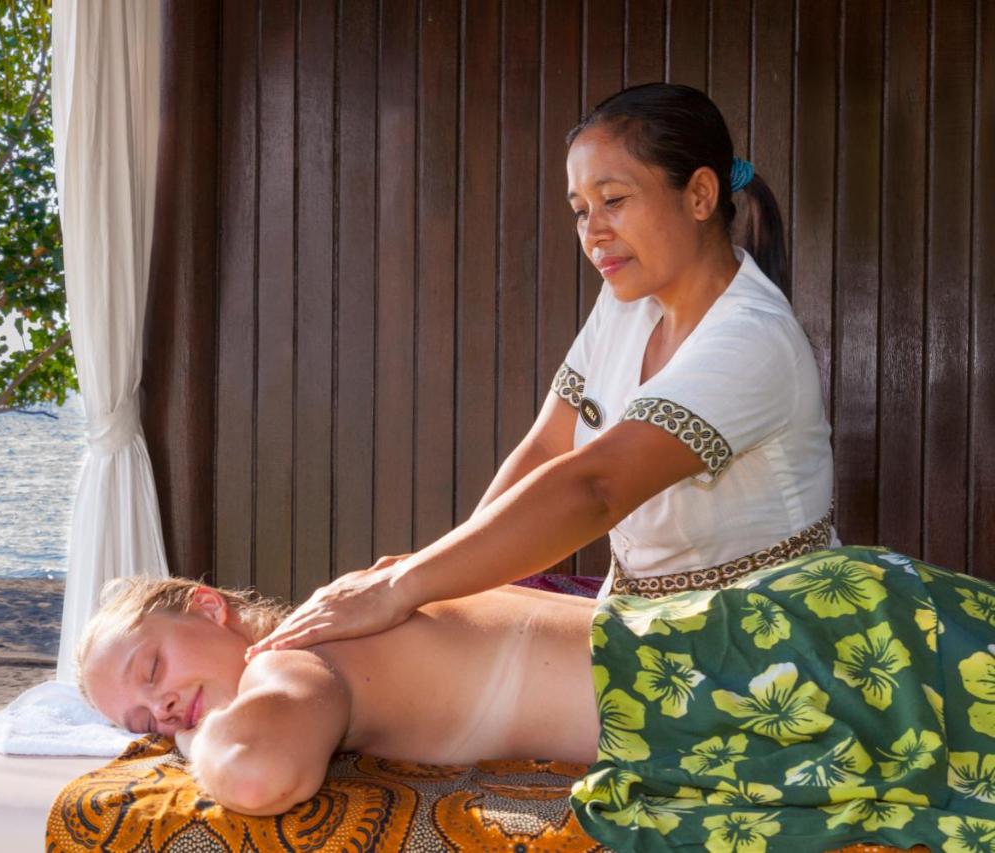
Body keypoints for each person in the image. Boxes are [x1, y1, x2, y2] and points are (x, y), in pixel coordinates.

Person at [246, 82, 837, 658]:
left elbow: (596, 488)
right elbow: (550, 445)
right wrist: (442, 573)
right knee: (416, 624)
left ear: (701, 195)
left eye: (614, 200)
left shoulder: (753, 338)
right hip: (647, 619)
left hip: (761, 640)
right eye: (581, 211)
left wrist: (405, 586)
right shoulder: (625, 302)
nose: (593, 232)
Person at [77, 546, 995, 851]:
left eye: (152, 670)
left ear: (210, 607)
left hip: (774, 676)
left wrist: (189, 745)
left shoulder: (295, 663)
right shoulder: (360, 597)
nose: (162, 715)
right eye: (138, 720)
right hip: (816, 618)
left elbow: (257, 771)